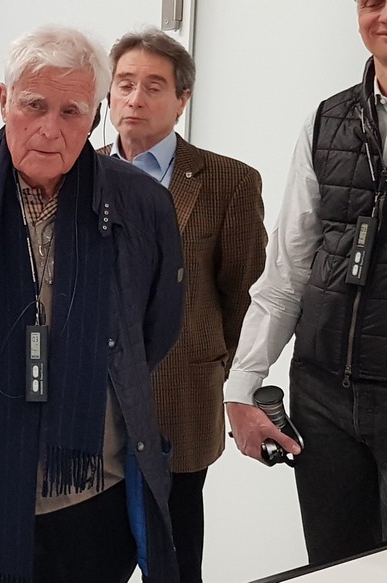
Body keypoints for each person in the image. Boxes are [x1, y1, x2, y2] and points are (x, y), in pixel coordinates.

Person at [0, 25, 185, 583]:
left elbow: (156, 326)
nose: (50, 129)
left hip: (92, 488)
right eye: (34, 105)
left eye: (71, 112)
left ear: (95, 115)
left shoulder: (141, 203)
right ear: (4, 100)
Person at [100, 29, 266, 582]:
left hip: (180, 400)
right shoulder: (79, 174)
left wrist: (223, 373)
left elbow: (245, 295)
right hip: (90, 406)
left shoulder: (228, 182)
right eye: (124, 83)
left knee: (173, 560)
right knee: (87, 556)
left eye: (153, 86)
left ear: (182, 99)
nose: (135, 99)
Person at [226, 0, 387, 566]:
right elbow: (287, 272)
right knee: (336, 568)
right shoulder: (327, 120)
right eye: (372, 1)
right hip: (323, 399)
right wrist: (241, 385)